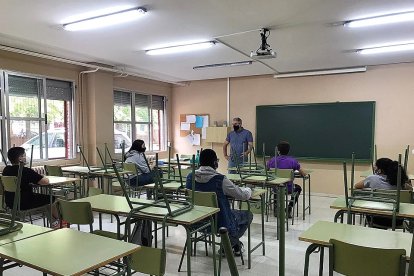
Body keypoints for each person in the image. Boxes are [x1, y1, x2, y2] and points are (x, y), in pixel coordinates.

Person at [186, 149, 253, 256]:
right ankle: (229, 244)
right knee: (248, 215)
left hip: (198, 222)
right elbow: (242, 195)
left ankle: (234, 245)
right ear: (215, 163)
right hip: (220, 224)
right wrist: (249, 189)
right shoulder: (220, 180)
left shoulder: (190, 177)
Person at [2, 147, 58, 223]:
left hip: (10, 201)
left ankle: (53, 221)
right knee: (52, 198)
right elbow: (45, 182)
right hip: (25, 202)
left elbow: (21, 181)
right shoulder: (25, 171)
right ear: (20, 158)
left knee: (44, 198)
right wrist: (42, 176)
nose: (26, 157)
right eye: (24, 155)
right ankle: (55, 222)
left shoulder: (6, 170)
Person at [354, 157, 411, 228]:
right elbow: (410, 190)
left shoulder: (372, 178)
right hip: (397, 221)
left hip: (375, 219)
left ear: (380, 170)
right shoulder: (400, 182)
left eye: (376, 167)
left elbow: (356, 186)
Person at [267, 141, 307, 218]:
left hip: (275, 188)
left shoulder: (272, 160)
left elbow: (267, 171)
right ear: (288, 151)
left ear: (278, 151)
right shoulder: (292, 161)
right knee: (298, 188)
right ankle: (289, 208)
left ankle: (276, 209)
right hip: (288, 188)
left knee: (277, 185)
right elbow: (304, 173)